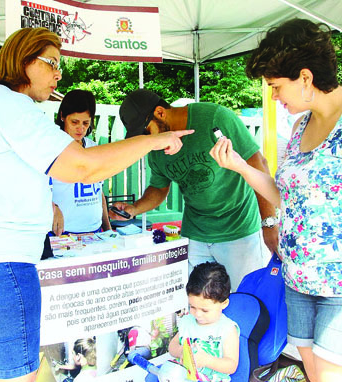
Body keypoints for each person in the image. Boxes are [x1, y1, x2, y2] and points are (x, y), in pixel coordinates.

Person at [0, 27, 192, 382]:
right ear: (23, 61)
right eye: (52, 62)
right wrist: (152, 141)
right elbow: (85, 167)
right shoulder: (11, 106)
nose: (59, 73)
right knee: (15, 377)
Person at [209, 18, 342, 382]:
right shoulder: (302, 124)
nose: (273, 96)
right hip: (300, 285)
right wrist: (240, 167)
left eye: (276, 86)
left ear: (305, 78)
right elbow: (289, 198)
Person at [111, 89, 278, 290]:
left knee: (242, 300)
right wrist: (134, 209)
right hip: (196, 233)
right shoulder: (156, 148)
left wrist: (269, 224)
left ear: (160, 113)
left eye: (146, 132)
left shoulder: (214, 118)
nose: (147, 140)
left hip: (237, 230)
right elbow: (158, 188)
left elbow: (258, 163)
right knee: (199, 305)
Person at [50, 89, 111, 236]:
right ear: (62, 116)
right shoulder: (51, 148)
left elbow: (99, 191)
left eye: (86, 123)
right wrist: (52, 207)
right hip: (62, 234)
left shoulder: (93, 147)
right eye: (75, 122)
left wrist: (108, 229)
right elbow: (34, 190)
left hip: (95, 231)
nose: (81, 128)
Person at [167, 262, 240, 382]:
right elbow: (172, 346)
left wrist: (207, 360)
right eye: (193, 307)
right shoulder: (187, 322)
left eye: (205, 310)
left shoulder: (227, 329)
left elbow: (231, 365)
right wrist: (181, 352)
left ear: (224, 304)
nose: (197, 314)